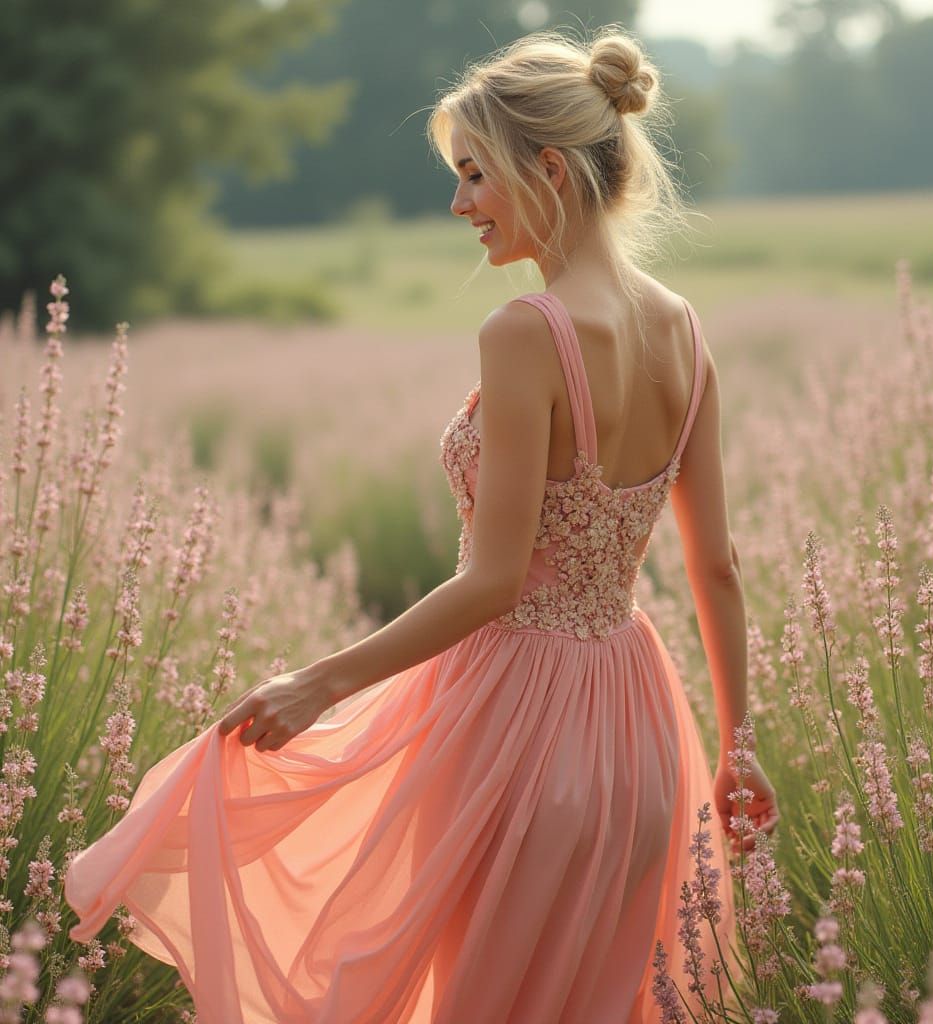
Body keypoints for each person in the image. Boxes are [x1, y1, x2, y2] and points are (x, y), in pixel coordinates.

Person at [64, 24, 779, 1024]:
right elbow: (718, 568)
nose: (459, 205)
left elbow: (494, 580)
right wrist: (736, 746)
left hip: (514, 727)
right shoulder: (683, 328)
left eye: (475, 176)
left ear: (548, 170)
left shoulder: (527, 332)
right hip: (643, 740)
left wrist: (318, 682)